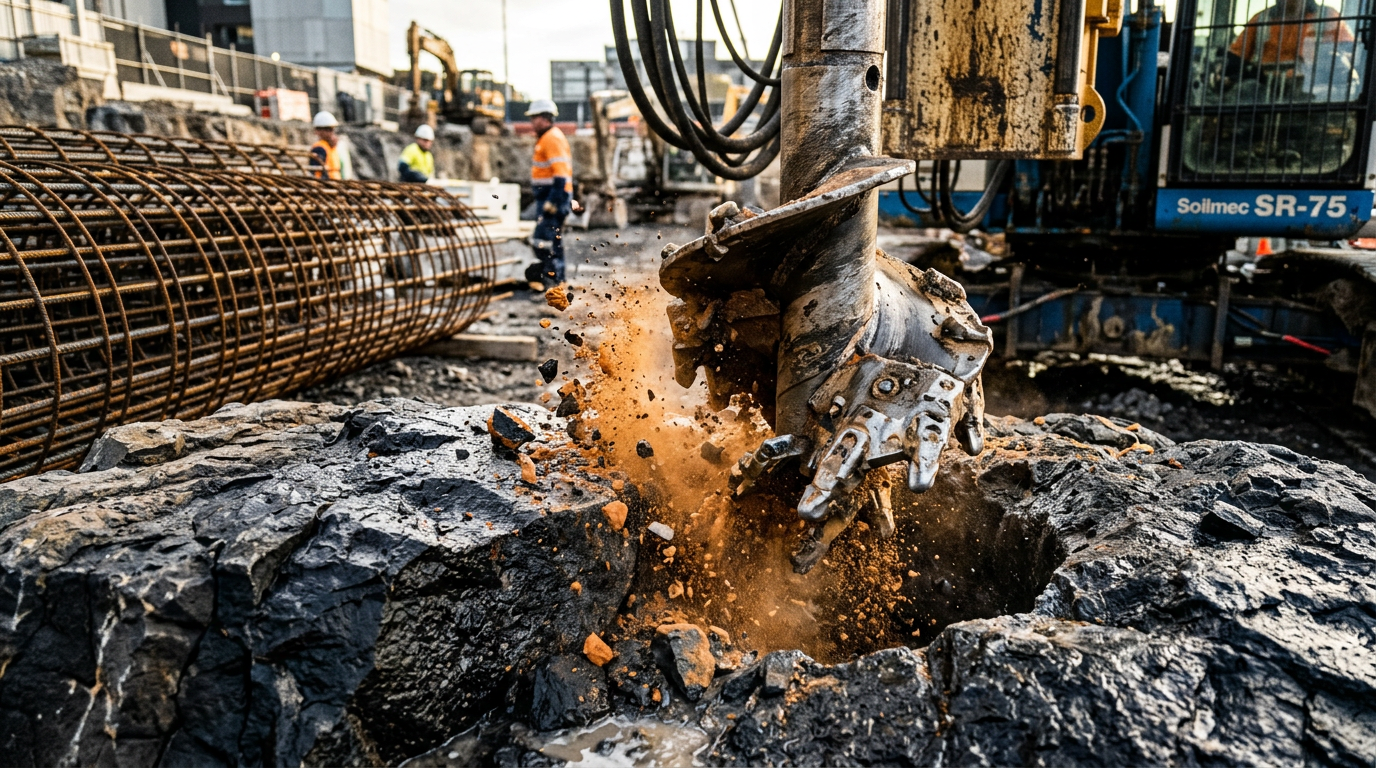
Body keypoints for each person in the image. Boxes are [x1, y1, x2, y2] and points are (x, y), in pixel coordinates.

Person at [524, 99, 581, 289]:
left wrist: (553, 201)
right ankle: (557, 279)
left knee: (542, 240)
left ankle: (552, 279)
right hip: (551, 196)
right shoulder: (547, 138)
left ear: (545, 118)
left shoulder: (552, 138)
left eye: (534, 117)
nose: (532, 122)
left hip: (554, 196)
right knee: (552, 239)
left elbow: (561, 174)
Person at [1227, 0, 1354, 72]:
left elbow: (1348, 50)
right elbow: (1237, 56)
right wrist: (1225, 71)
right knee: (1245, 90)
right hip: (1265, 90)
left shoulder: (1328, 16)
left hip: (1310, 88)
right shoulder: (1260, 19)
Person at [309, 111, 342, 180]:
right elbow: (317, 172)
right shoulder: (319, 148)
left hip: (335, 184)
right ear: (318, 131)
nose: (331, 133)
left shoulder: (330, 147)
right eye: (328, 130)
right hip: (325, 185)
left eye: (331, 130)